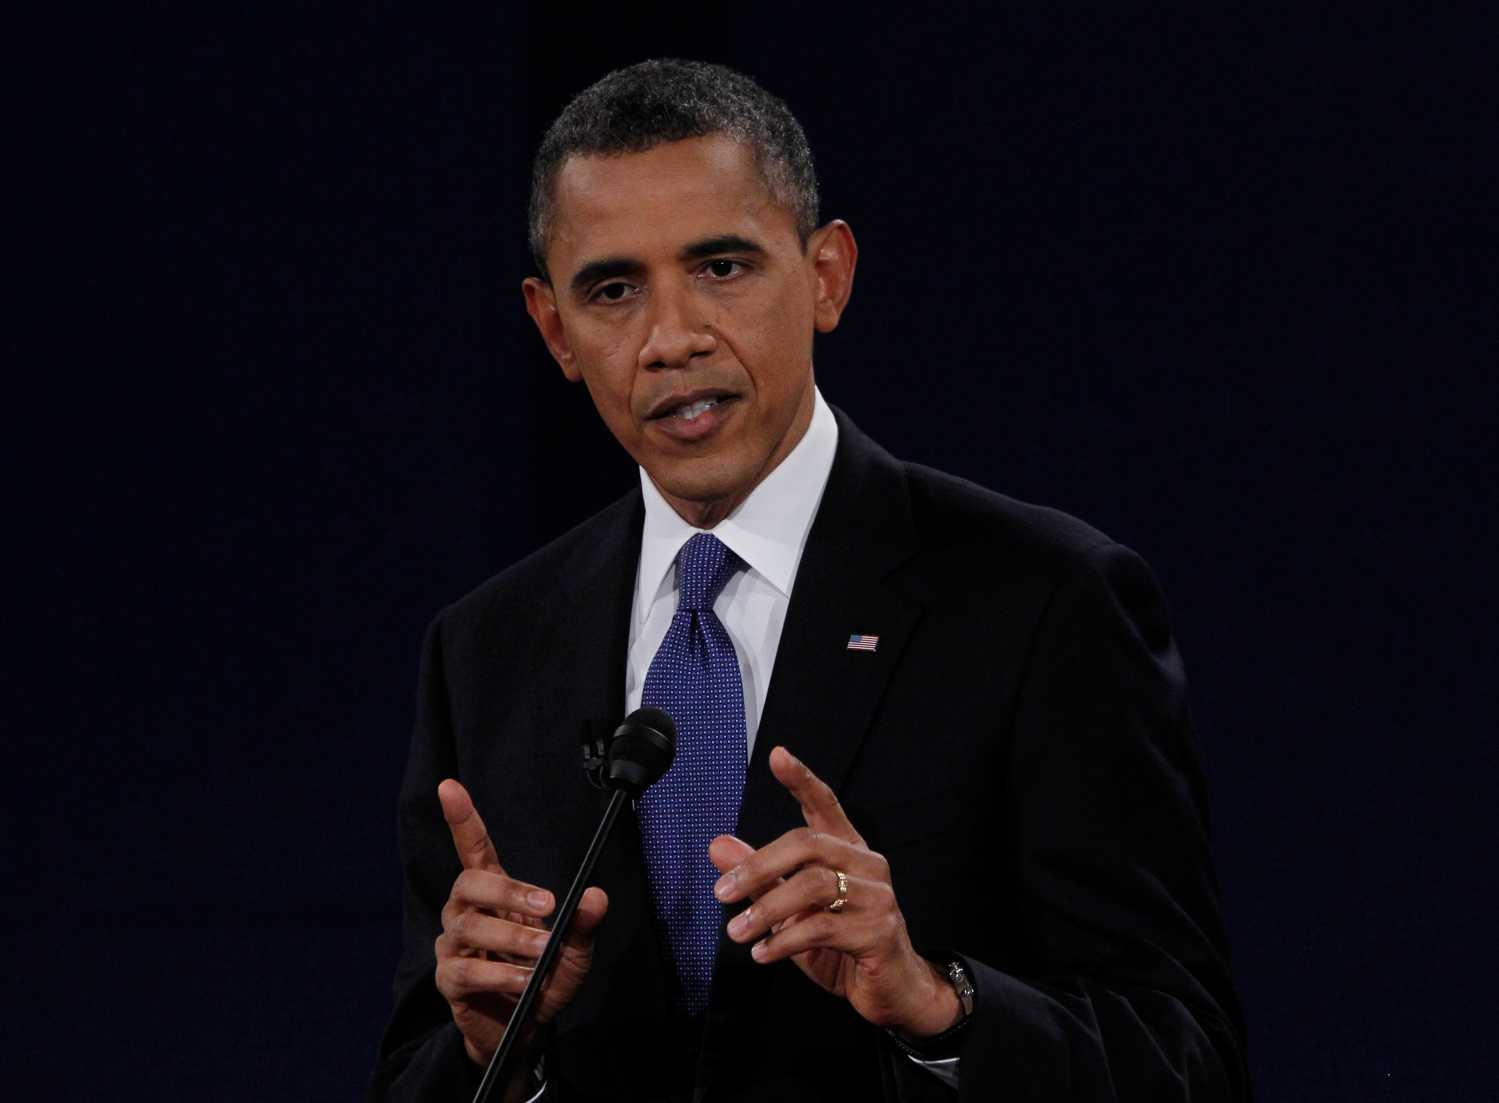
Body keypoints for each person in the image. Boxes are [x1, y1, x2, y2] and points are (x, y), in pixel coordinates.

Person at [370, 59, 1248, 1102]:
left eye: (721, 267)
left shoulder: (1043, 601)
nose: (671, 338)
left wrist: (936, 1002)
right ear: (554, 329)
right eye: (612, 290)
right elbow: (416, 1070)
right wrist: (491, 1052)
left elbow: (1185, 1059)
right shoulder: (487, 648)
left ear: (826, 275)